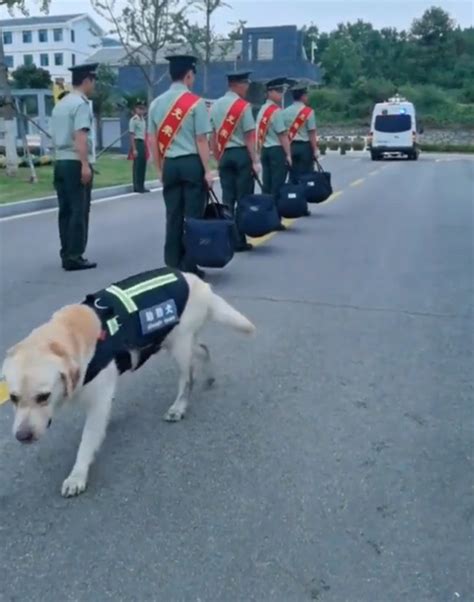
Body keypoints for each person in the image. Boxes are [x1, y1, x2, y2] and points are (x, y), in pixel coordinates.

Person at [148, 55, 213, 279]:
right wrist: (207, 170)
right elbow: (202, 140)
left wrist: (159, 169)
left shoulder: (155, 104)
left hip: (170, 165)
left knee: (173, 214)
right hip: (191, 163)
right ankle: (189, 264)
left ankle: (172, 263)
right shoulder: (196, 103)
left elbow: (152, 140)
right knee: (193, 215)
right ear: (188, 75)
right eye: (193, 75)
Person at [51, 63, 98, 271]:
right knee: (79, 210)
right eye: (93, 81)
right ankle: (75, 255)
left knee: (66, 210)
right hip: (74, 161)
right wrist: (85, 165)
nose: (93, 85)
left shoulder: (61, 104)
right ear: (87, 80)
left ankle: (66, 252)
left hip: (59, 161)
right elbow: (80, 136)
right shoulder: (81, 105)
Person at [209, 70, 258, 252]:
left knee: (227, 199)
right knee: (243, 198)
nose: (247, 88)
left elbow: (212, 136)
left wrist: (217, 156)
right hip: (241, 155)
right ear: (237, 85)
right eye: (245, 84)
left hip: (224, 156)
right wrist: (255, 161)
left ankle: (228, 238)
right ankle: (239, 240)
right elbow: (249, 137)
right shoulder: (243, 106)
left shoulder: (214, 106)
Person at [255, 77, 292, 231]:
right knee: (277, 186)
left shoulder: (262, 110)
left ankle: (265, 216)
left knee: (267, 186)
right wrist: (288, 155)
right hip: (277, 150)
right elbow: (282, 134)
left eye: (281, 91)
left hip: (265, 150)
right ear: (269, 92)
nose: (281, 94)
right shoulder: (276, 112)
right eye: (278, 91)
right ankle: (275, 219)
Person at [283, 83, 318, 184]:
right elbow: (312, 132)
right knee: (306, 175)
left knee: (293, 175)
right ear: (303, 96)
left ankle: (294, 196)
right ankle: (303, 197)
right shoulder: (308, 112)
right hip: (304, 148)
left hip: (290, 147)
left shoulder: (284, 112)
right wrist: (315, 149)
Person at [128, 100, 149, 193]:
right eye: (139, 108)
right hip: (137, 142)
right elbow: (132, 135)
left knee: (143, 165)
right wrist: (134, 149)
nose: (141, 111)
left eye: (143, 109)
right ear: (136, 109)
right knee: (137, 165)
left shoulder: (143, 120)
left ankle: (142, 185)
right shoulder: (134, 120)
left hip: (143, 142)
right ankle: (136, 186)